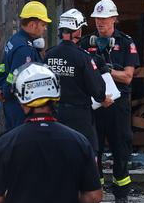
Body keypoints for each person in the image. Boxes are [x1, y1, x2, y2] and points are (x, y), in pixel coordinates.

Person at [0, 63, 102, 203]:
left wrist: (22, 197)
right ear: (56, 96)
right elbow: (94, 196)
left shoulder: (5, 143)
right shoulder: (79, 141)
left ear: (22, 101)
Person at [81, 0, 140, 203]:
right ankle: (94, 196)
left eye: (104, 19)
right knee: (92, 151)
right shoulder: (86, 42)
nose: (100, 23)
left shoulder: (125, 43)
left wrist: (106, 70)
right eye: (97, 19)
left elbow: (127, 77)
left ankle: (121, 197)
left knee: (120, 150)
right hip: (94, 106)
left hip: (117, 105)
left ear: (114, 19)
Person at [45, 9, 113, 150]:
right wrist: (102, 98)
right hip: (79, 117)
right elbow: (98, 89)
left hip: (54, 114)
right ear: (77, 31)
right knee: (85, 151)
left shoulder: (48, 54)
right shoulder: (83, 57)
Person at [0, 0, 51, 130]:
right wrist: (4, 92)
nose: (45, 28)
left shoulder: (15, 40)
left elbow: (3, 67)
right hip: (19, 105)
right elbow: (16, 77)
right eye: (43, 24)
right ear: (32, 24)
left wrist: (0, 87)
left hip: (12, 103)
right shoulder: (25, 49)